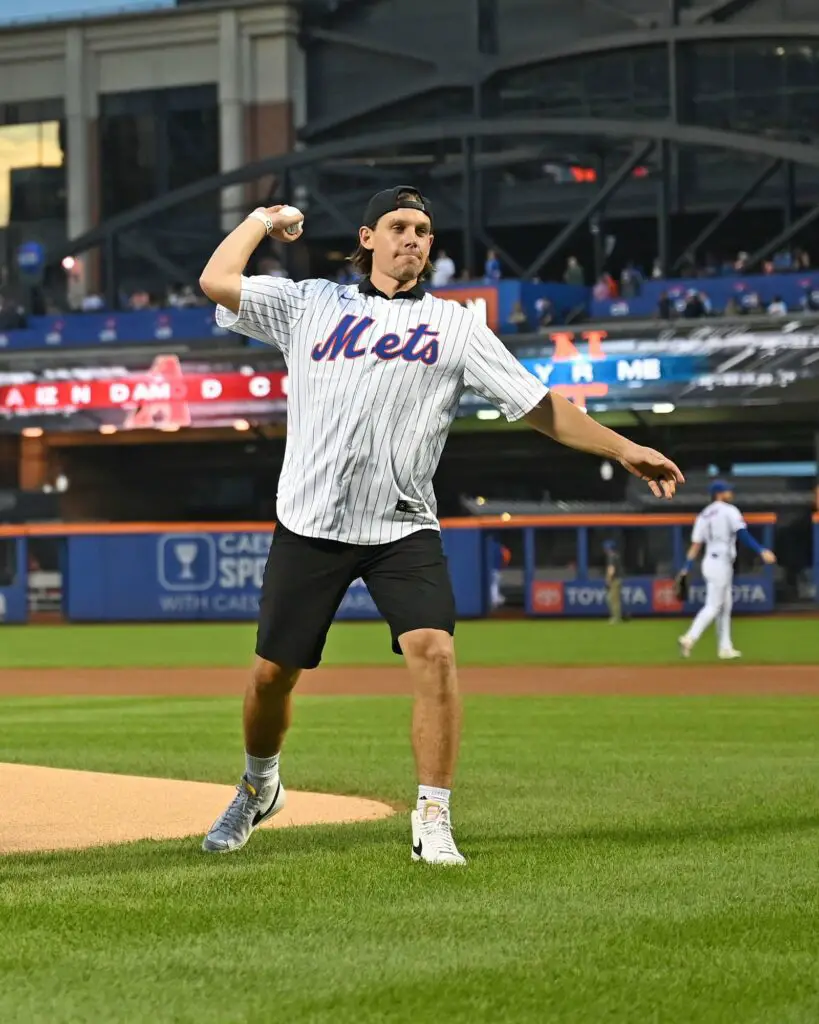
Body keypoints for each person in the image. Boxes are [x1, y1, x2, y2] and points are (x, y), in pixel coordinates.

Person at [198, 185, 684, 866]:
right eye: (398, 226)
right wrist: (264, 219)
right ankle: (258, 786)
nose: (413, 239)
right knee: (271, 677)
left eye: (424, 230)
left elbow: (539, 407)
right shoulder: (308, 304)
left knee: (435, 652)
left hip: (402, 525)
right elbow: (216, 280)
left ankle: (432, 815)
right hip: (310, 523)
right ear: (366, 238)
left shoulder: (456, 325)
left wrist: (621, 446)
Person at [677, 480, 775, 660]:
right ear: (719, 493)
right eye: (727, 490)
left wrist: (686, 567)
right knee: (714, 606)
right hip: (720, 563)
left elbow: (696, 546)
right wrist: (761, 550)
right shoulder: (729, 510)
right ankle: (689, 637)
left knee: (725, 605)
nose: (731, 493)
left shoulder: (704, 515)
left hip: (710, 562)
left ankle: (725, 647)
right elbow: (742, 534)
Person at [603, 539, 623, 624]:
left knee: (613, 599)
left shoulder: (612, 557)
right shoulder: (616, 556)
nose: (605, 550)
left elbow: (611, 569)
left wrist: (608, 579)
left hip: (614, 580)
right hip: (617, 579)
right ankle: (616, 617)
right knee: (612, 599)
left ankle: (616, 618)